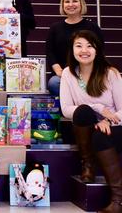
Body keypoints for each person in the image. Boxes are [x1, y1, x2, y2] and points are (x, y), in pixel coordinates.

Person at [60, 30, 122, 212]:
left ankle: (118, 201)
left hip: (116, 126)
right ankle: (88, 166)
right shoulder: (68, 74)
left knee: (101, 136)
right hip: (88, 124)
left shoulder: (110, 73)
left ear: (97, 49)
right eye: (79, 46)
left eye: (89, 46)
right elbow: (66, 109)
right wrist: (98, 110)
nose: (84, 50)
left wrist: (108, 121)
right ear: (72, 50)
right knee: (83, 111)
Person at [46, 0, 104, 95]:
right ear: (63, 5)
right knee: (54, 83)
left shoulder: (92, 27)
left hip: (88, 74)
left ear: (81, 4)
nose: (70, 4)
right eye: (67, 1)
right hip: (62, 75)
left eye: (74, 1)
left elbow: (99, 51)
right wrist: (60, 72)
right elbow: (50, 53)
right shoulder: (55, 28)